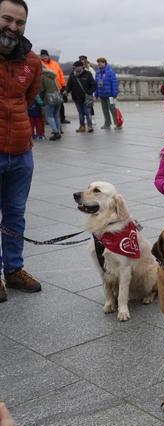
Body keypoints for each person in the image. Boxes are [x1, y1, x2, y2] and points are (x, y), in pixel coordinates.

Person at [0, 0, 44, 303]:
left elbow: (29, 99)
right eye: (6, 19)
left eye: (19, 22)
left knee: (15, 214)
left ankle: (13, 269)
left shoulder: (32, 61)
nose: (12, 27)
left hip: (20, 152)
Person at [65, 60, 96, 133]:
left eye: (78, 67)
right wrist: (66, 91)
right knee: (80, 113)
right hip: (76, 97)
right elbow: (69, 85)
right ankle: (82, 126)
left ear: (82, 67)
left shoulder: (87, 74)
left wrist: (89, 92)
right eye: (75, 67)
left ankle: (90, 126)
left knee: (88, 112)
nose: (76, 68)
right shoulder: (72, 75)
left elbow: (94, 85)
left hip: (86, 97)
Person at [39, 49, 67, 124]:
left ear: (48, 56)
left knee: (60, 104)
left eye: (45, 55)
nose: (44, 57)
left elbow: (60, 74)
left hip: (58, 88)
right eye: (42, 56)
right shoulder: (40, 64)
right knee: (48, 105)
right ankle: (48, 120)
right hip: (47, 89)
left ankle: (62, 119)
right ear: (40, 57)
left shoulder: (55, 64)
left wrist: (63, 85)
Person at [95, 57, 120, 129]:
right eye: (98, 63)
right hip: (102, 94)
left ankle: (117, 124)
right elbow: (96, 83)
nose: (99, 64)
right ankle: (107, 123)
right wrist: (96, 93)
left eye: (100, 62)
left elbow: (114, 83)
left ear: (104, 63)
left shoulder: (110, 72)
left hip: (110, 95)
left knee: (113, 109)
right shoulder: (97, 72)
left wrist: (114, 94)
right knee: (104, 110)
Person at [40, 66, 62, 140]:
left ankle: (55, 132)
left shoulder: (42, 77)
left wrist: (41, 100)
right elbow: (59, 87)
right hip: (57, 97)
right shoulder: (53, 76)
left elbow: (41, 90)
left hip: (49, 97)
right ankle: (58, 131)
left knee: (49, 116)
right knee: (56, 115)